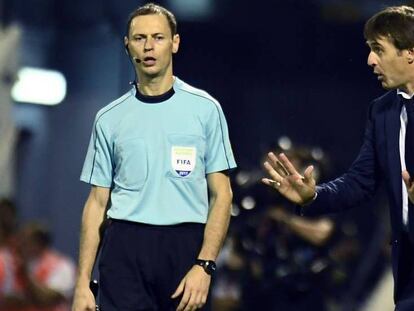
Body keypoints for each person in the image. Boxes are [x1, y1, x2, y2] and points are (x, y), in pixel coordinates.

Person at [72, 3, 236, 311]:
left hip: (185, 248)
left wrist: (205, 265)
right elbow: (96, 203)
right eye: (140, 38)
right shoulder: (108, 118)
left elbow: (222, 194)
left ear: (175, 42)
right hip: (124, 246)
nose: (149, 46)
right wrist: (82, 284)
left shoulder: (206, 109)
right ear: (127, 45)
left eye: (158, 37)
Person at [262, 5, 414, 310]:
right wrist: (312, 196)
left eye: (378, 50)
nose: (370, 60)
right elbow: (360, 181)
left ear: (409, 52)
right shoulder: (382, 111)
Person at [0, 222, 76, 311]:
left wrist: (25, 274)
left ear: (39, 243)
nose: (19, 244)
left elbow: (46, 300)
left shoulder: (62, 266)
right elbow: (5, 300)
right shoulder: (11, 264)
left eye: (25, 241)